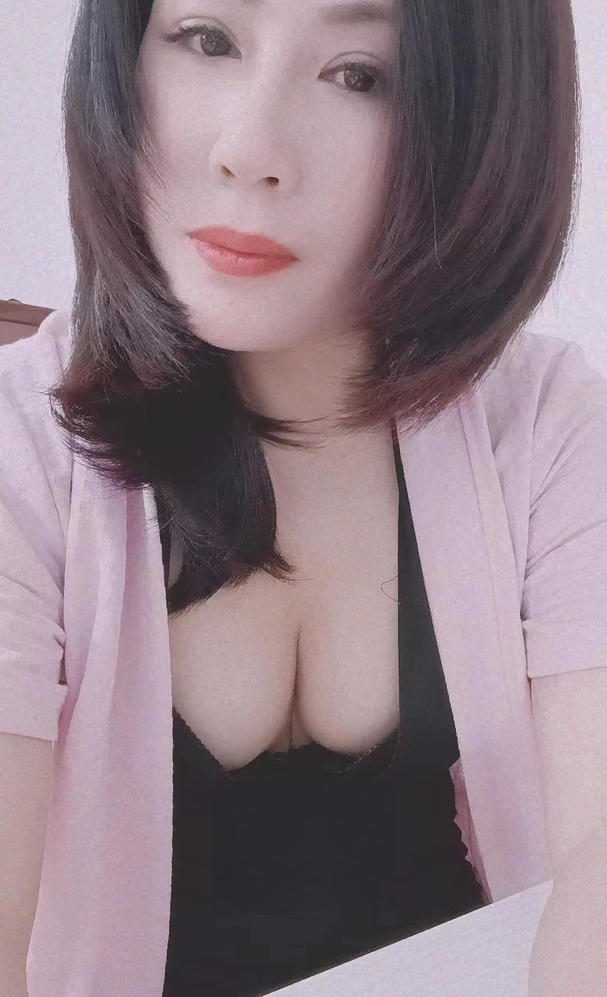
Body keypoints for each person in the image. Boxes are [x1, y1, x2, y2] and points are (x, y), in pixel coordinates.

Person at [3, 1, 606, 996]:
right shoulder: (21, 449)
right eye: (206, 39)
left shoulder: (542, 423)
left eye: (360, 75)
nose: (250, 150)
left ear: (481, 121)